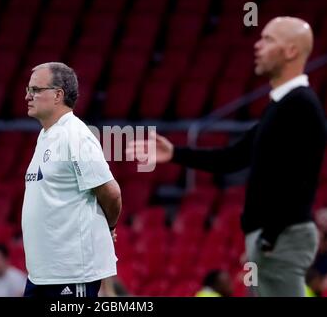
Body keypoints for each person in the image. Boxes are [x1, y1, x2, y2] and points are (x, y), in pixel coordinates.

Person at [127, 17, 326, 297]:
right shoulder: (282, 106)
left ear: (291, 51)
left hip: (280, 238)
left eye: (268, 40)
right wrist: (175, 153)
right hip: (273, 238)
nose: (257, 45)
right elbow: (232, 158)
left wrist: (270, 237)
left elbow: (299, 177)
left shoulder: (300, 105)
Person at [21, 62, 122, 297]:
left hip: (72, 274)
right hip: (41, 274)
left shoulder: (76, 135)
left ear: (58, 95)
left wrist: (109, 226)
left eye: (35, 90)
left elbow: (111, 192)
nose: (28, 96)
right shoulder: (46, 135)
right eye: (28, 89)